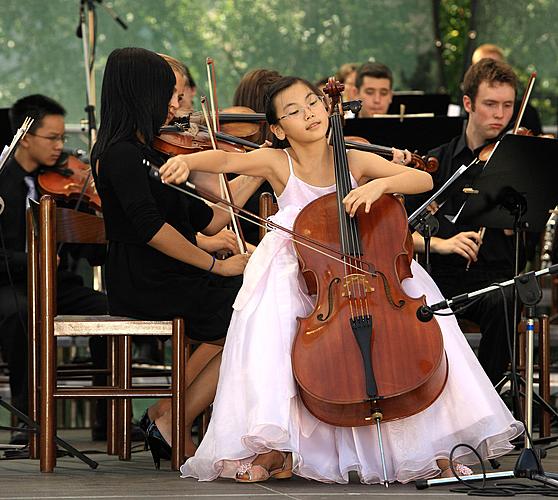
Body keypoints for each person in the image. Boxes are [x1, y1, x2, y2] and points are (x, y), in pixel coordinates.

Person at [160, 76, 522, 484]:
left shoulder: (351, 157)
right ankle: (275, 446)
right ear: (278, 129)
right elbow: (226, 162)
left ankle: (429, 446)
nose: (310, 113)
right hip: (299, 270)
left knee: (415, 331)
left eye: (313, 103)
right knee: (272, 329)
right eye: (294, 111)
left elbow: (422, 181)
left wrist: (382, 184)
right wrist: (187, 162)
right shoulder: (278, 162)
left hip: (363, 267)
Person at [90, 47, 263, 467]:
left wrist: (264, 165)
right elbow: (150, 229)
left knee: (251, 305)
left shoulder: (154, 153)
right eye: (165, 93)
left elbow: (211, 219)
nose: (172, 104)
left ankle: (169, 416)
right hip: (145, 278)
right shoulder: (118, 154)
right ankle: (171, 416)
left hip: (172, 272)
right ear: (140, 93)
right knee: (240, 306)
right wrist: (216, 264)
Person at [0, 94, 108, 443]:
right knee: (19, 313)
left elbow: (93, 256)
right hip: (12, 283)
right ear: (25, 135)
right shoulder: (2, 182)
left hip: (58, 283)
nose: (61, 147)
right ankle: (26, 420)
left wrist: (91, 213)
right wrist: (31, 260)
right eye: (53, 138)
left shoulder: (64, 182)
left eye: (64, 138)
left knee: (110, 311)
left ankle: (109, 419)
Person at [408, 58, 521, 386]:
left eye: (508, 105)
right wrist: (444, 244)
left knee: (507, 299)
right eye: (490, 104)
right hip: (441, 278)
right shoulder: (436, 161)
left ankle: (488, 399)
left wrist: (523, 221)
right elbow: (402, 232)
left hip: (497, 279)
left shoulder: (519, 162)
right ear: (469, 103)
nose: (500, 115)